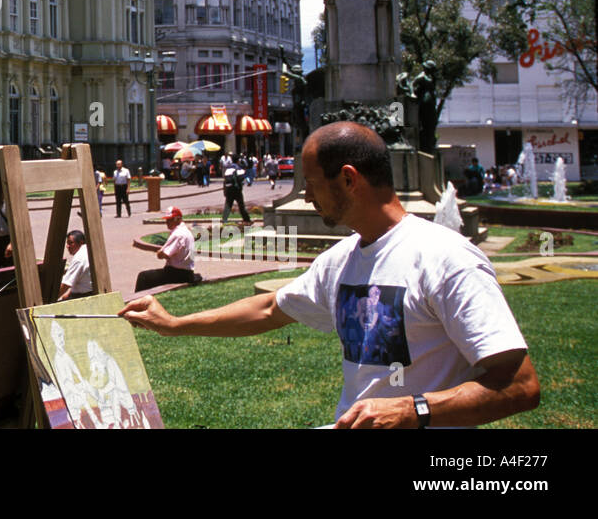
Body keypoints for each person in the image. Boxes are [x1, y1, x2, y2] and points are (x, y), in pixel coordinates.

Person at [120, 122, 542, 428]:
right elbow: (269, 308)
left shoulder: (447, 259)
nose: (306, 195)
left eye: (312, 183)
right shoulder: (341, 259)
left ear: (348, 179)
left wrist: (413, 410)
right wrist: (175, 325)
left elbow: (520, 386)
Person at [134, 206, 201, 291]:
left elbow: (164, 254)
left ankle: (136, 302)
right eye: (167, 220)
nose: (167, 222)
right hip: (185, 272)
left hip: (177, 274)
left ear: (178, 219)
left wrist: (159, 252)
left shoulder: (178, 234)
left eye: (170, 220)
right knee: (151, 276)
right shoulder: (185, 231)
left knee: (143, 277)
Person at [59, 230, 93, 300]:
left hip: (82, 296)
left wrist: (49, 301)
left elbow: (66, 284)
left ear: (81, 242)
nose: (67, 246)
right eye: (67, 243)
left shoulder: (79, 259)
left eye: (70, 243)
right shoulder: (88, 250)